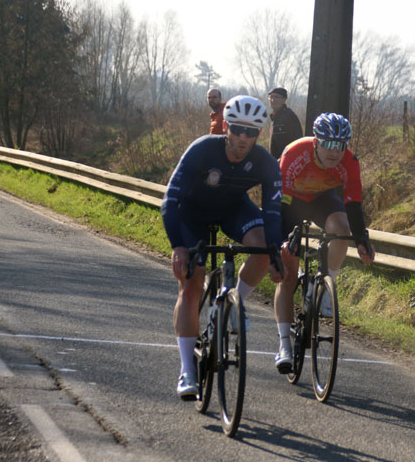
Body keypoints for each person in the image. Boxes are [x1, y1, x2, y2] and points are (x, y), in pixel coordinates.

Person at [161, 95, 284, 398]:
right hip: (193, 215)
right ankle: (187, 371)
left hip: (232, 209)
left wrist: (273, 254)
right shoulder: (203, 150)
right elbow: (170, 202)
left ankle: (234, 304)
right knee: (192, 284)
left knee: (262, 245)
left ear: (259, 134)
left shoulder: (265, 163)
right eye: (238, 130)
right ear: (226, 127)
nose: (243, 138)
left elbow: (272, 211)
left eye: (251, 132)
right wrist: (178, 246)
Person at [272, 113, 375, 373]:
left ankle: (325, 284)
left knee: (342, 230)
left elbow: (353, 204)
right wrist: (283, 240)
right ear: (315, 141)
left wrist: (361, 239)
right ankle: (284, 344)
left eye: (340, 146)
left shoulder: (350, 162)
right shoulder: (295, 153)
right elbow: (278, 203)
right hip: (290, 202)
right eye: (328, 144)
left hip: (322, 200)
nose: (334, 152)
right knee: (288, 272)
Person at [268, 87, 303, 159]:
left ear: (284, 100)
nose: (273, 100)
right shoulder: (274, 118)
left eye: (277, 97)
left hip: (286, 163)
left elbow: (297, 142)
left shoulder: (289, 116)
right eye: (271, 97)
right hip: (275, 163)